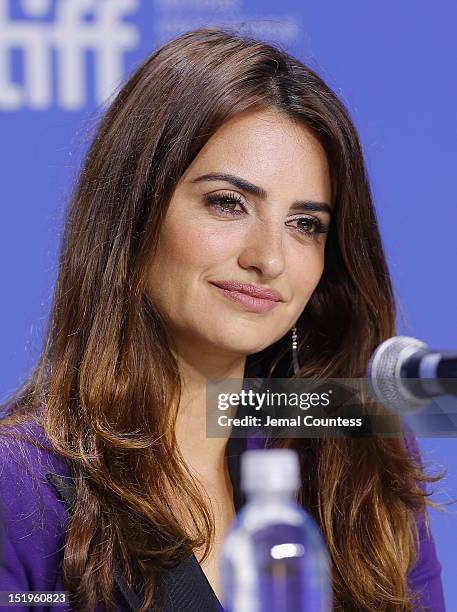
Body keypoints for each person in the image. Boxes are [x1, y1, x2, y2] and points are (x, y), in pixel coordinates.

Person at [0, 26, 445, 612]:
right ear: (134, 213)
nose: (268, 258)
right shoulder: (22, 485)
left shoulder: (354, 455)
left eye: (305, 223)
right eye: (227, 204)